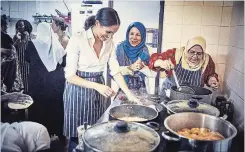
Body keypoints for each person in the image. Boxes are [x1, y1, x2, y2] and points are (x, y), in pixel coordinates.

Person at [64, 7, 140, 151]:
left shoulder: (109, 43)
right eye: (108, 32)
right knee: (77, 137)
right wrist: (97, 86)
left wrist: (129, 94)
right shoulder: (78, 39)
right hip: (78, 90)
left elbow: (115, 71)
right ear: (97, 23)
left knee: (98, 132)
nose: (110, 36)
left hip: (99, 89)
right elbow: (70, 76)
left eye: (113, 33)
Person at [25, 22, 67, 149]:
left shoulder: (32, 44)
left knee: (38, 107)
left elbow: (27, 59)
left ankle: (38, 137)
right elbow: (64, 62)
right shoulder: (57, 46)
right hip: (55, 84)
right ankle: (59, 134)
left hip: (38, 84)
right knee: (56, 108)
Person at [148, 36, 219, 94]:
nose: (195, 56)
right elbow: (152, 60)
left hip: (193, 99)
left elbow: (211, 74)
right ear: (187, 49)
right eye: (192, 52)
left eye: (199, 53)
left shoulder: (207, 60)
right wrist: (161, 62)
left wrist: (212, 80)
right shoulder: (175, 54)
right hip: (170, 96)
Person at [115, 22, 151, 90]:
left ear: (142, 36)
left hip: (141, 87)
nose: (134, 37)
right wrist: (129, 68)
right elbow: (113, 70)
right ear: (128, 34)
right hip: (124, 86)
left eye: (138, 35)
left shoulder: (145, 49)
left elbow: (151, 70)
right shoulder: (120, 48)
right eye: (131, 34)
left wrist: (143, 67)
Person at [13, 20, 32, 93]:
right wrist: (18, 39)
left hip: (27, 64)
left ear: (26, 26)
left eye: (21, 25)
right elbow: (12, 49)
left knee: (27, 81)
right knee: (19, 82)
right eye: (18, 26)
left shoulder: (29, 36)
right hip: (18, 64)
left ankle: (28, 97)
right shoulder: (16, 37)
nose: (19, 27)